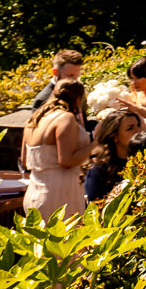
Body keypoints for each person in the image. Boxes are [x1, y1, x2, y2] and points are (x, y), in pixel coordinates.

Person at [21, 81, 91, 219]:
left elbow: (24, 161)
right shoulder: (66, 118)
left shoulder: (34, 119)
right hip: (60, 196)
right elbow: (66, 161)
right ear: (78, 98)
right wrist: (97, 143)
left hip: (34, 193)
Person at [82, 108, 144, 203]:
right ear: (114, 136)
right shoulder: (98, 167)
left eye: (138, 126)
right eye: (130, 128)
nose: (138, 131)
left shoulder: (143, 160)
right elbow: (94, 203)